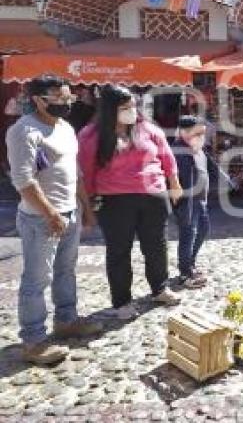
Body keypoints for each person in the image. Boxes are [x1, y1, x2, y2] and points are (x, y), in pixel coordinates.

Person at [6, 74, 102, 365]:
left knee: (66, 271)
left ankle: (66, 320)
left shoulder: (65, 128)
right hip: (40, 218)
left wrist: (85, 208)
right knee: (37, 279)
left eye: (68, 97)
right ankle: (34, 341)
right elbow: (23, 180)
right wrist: (50, 214)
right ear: (38, 100)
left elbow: (75, 173)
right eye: (59, 98)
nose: (65, 103)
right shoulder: (24, 131)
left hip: (69, 211)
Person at [77, 85, 183, 320]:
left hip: (154, 196)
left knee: (156, 245)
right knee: (119, 251)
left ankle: (160, 288)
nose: (131, 111)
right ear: (109, 110)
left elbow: (166, 156)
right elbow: (86, 171)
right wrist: (88, 207)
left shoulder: (147, 128)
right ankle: (122, 301)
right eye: (125, 107)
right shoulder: (91, 135)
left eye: (133, 106)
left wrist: (174, 183)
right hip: (114, 201)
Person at [172, 115, 225, 289]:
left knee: (202, 230)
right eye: (198, 133)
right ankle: (184, 273)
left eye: (202, 133)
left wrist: (227, 182)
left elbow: (210, 167)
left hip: (200, 200)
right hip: (187, 202)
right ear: (184, 132)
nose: (202, 137)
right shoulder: (179, 151)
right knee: (188, 235)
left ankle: (191, 264)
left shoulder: (198, 148)